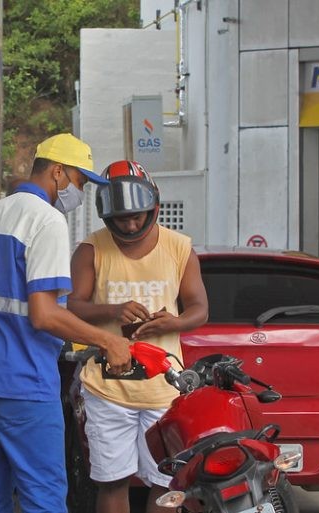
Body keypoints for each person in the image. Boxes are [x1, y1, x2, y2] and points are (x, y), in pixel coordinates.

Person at [0, 133, 132, 513]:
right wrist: (108, 341)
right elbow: (45, 314)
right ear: (57, 173)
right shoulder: (46, 220)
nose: (79, 192)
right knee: (43, 495)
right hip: (23, 382)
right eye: (80, 181)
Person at [67, 160, 209, 513]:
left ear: (154, 207)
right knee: (112, 482)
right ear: (106, 217)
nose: (130, 225)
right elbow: (72, 306)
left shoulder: (179, 248)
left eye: (137, 216)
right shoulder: (91, 250)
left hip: (164, 389)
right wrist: (113, 311)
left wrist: (170, 323)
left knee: (167, 484)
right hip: (107, 390)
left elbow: (199, 309)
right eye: (121, 219)